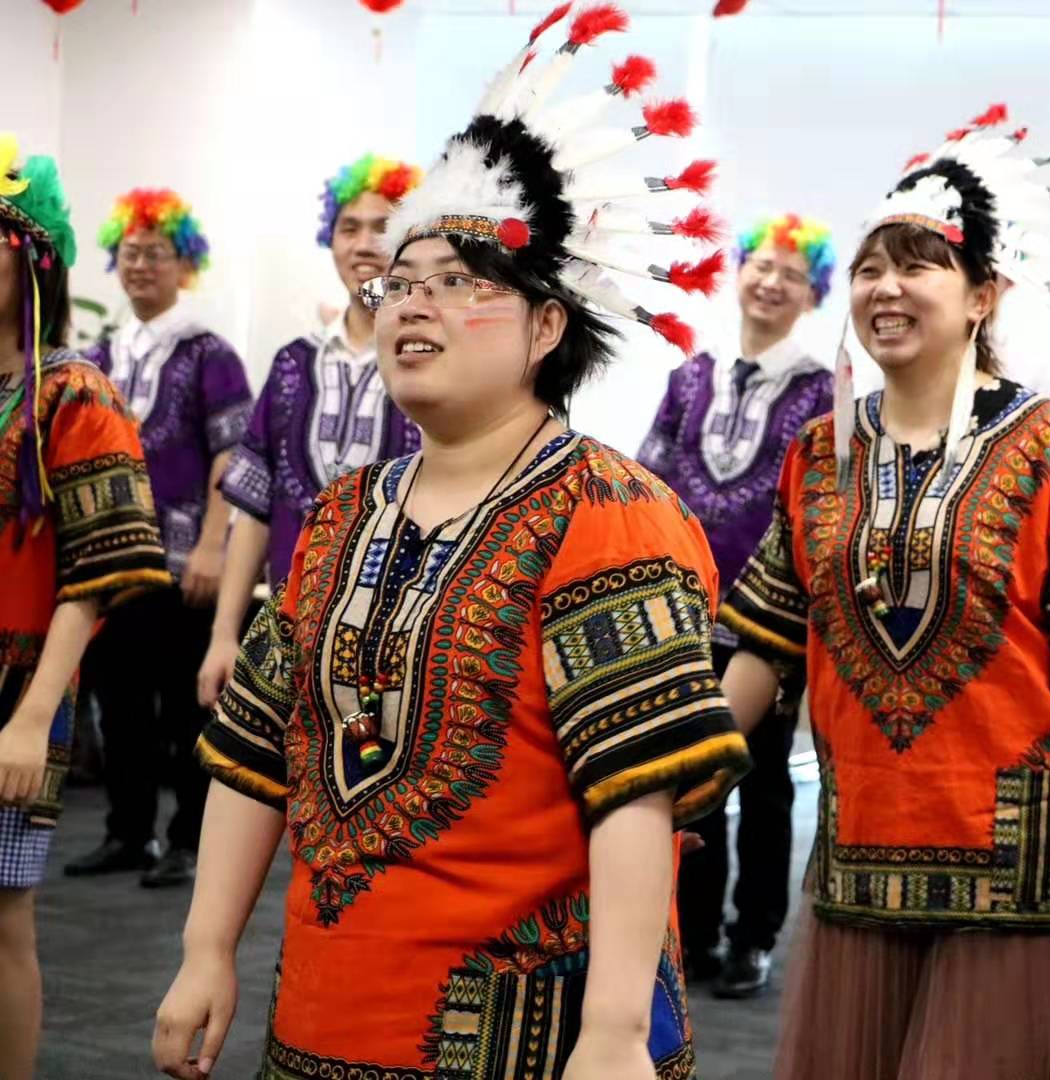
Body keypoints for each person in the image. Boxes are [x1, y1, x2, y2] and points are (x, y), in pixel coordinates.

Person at [152, 11, 750, 1079]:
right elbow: (255, 751)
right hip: (321, 1017)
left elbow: (638, 787)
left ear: (546, 327)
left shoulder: (610, 512)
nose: (412, 302)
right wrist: (205, 950)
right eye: (400, 281)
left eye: (460, 281)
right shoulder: (343, 516)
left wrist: (613, 1029)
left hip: (521, 1037)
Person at [717, 106, 1050, 1080]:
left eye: (918, 264)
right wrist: (699, 762)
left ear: (982, 299)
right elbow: (768, 632)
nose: (886, 287)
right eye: (869, 268)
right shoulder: (820, 453)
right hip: (861, 847)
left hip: (1012, 850)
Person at [0, 135, 168, 1080]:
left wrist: (31, 719)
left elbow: (97, 571)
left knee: (1, 917)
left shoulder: (72, 392)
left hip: (17, 686)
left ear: (33, 259)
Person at [637, 211, 835, 997]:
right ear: (738, 272)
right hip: (680, 616)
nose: (770, 279)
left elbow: (823, 506)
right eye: (761, 263)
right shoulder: (691, 376)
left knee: (764, 783)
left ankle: (755, 934)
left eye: (791, 271)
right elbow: (648, 482)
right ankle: (692, 931)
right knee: (690, 775)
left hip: (770, 624)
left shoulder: (825, 390)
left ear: (811, 292)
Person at [66, 188, 252, 889]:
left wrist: (212, 543)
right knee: (117, 703)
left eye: (157, 253)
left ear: (185, 263)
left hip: (183, 562)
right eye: (130, 253)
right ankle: (127, 830)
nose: (141, 265)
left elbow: (229, 453)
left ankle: (187, 840)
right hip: (110, 562)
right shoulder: (96, 353)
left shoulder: (210, 353)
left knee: (184, 707)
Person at [198, 154, 422, 709]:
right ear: (331, 241)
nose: (364, 244)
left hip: (404, 645)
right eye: (349, 228)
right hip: (288, 634)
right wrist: (225, 635)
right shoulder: (294, 362)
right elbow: (254, 506)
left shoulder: (429, 359)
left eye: (384, 228)